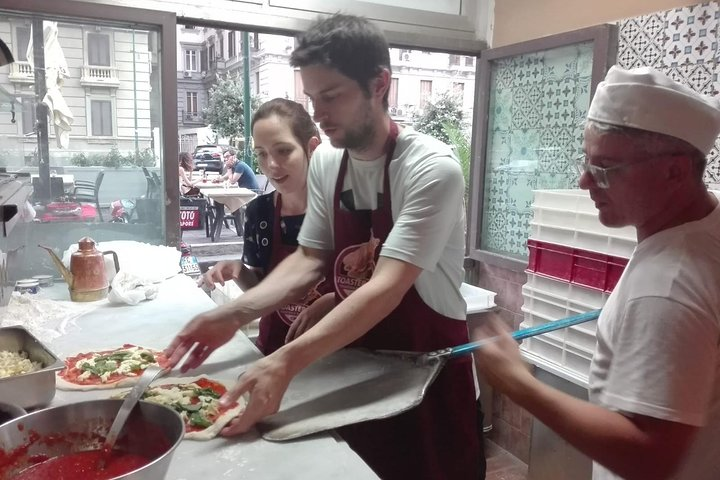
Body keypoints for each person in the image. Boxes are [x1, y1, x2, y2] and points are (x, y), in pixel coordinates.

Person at [166, 13, 485, 480]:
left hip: (427, 379)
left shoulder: (431, 169)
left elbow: (387, 287)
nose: (319, 112)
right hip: (353, 372)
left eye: (332, 96)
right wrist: (232, 314)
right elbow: (310, 260)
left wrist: (284, 362)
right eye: (312, 97)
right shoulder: (329, 162)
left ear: (380, 84)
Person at [471, 66, 720, 480]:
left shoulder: (668, 283)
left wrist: (519, 383)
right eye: (586, 161)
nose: (585, 181)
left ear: (674, 171)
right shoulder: (706, 230)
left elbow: (650, 458)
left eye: (605, 167)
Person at [199, 97, 335, 354]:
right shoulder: (259, 212)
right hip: (274, 349)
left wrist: (334, 300)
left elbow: (369, 286)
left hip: (334, 356)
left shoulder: (345, 210)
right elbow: (263, 293)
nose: (271, 165)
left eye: (283, 150)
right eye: (262, 154)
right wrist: (239, 271)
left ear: (312, 147)